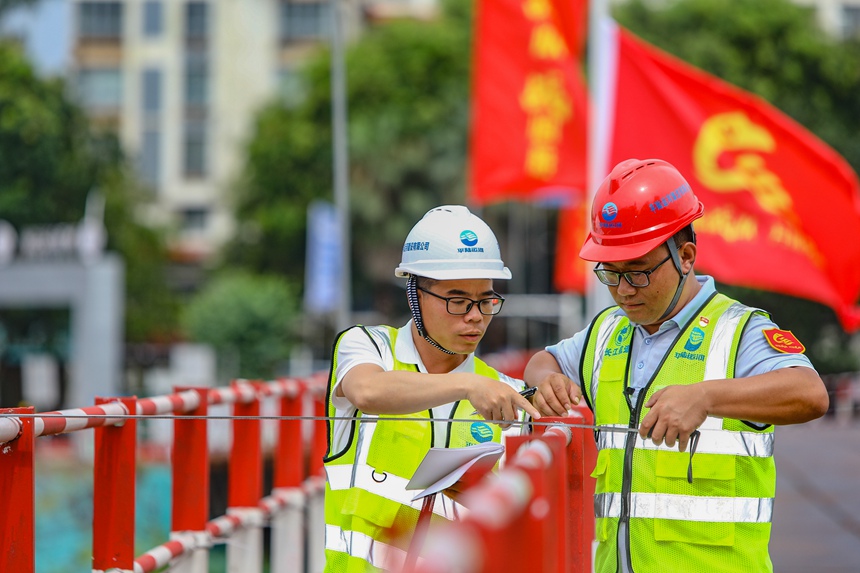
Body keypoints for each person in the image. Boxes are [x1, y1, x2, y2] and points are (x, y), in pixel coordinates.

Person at [523, 159, 830, 573]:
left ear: (685, 256)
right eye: (610, 274)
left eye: (639, 272)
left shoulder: (737, 330)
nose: (624, 291)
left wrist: (706, 397)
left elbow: (810, 394)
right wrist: (547, 381)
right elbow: (543, 362)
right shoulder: (607, 332)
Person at [323, 205, 540, 572]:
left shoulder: (506, 393)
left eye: (486, 300)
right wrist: (467, 385)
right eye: (458, 301)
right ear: (416, 293)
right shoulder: (368, 347)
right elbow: (367, 391)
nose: (475, 316)